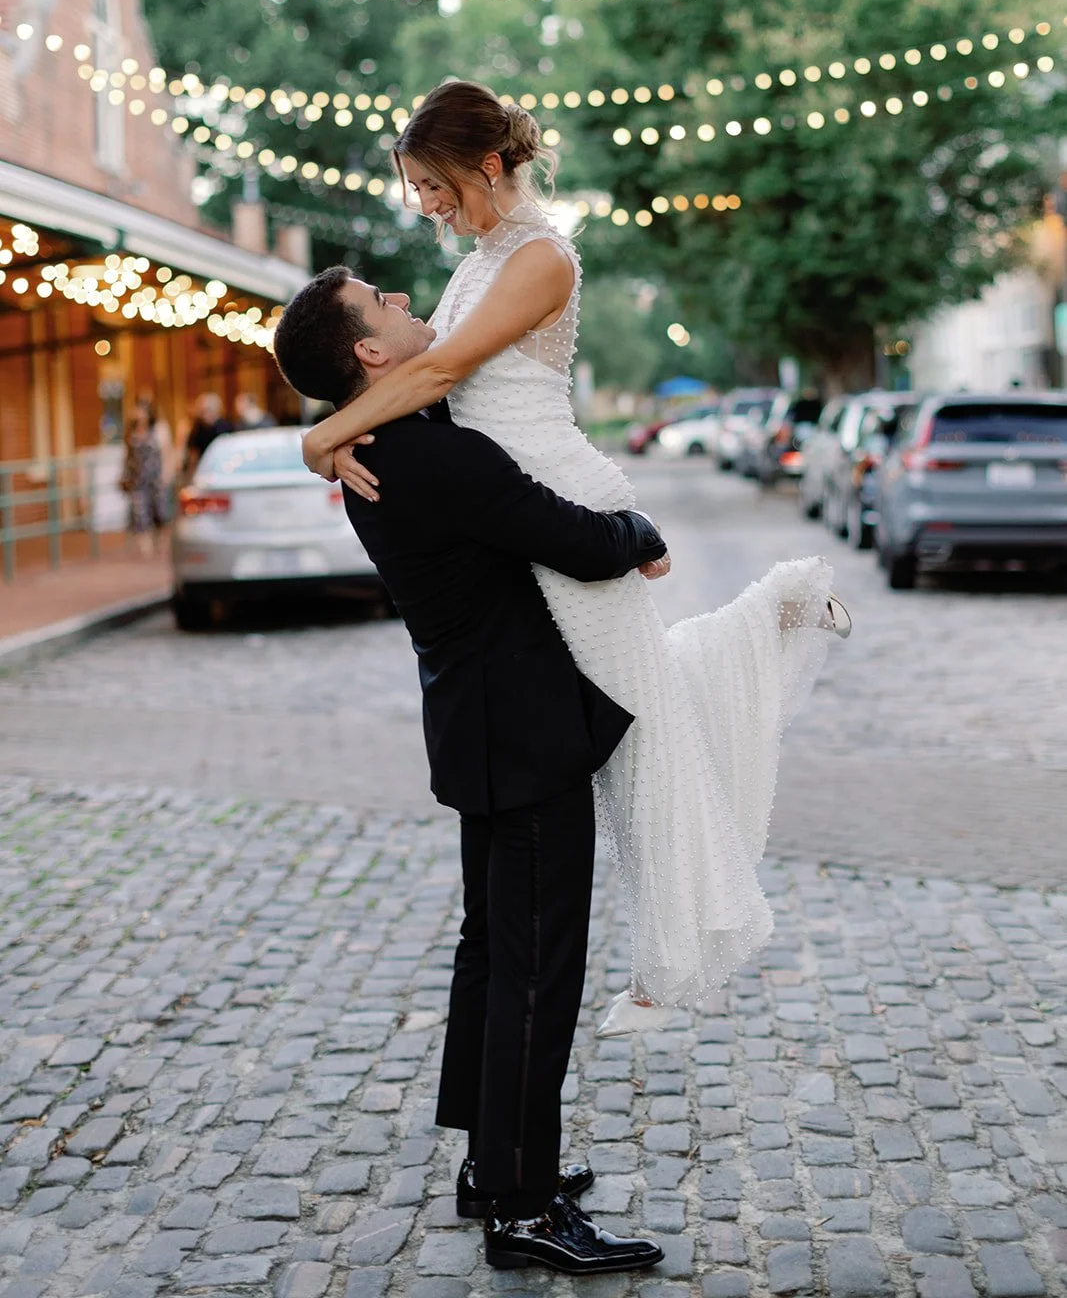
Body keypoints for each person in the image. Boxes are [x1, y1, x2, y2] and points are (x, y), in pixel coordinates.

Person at [302, 79, 848, 1033]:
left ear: (483, 164)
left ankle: (673, 962)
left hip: (560, 499)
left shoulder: (542, 257)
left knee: (642, 725)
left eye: (432, 184)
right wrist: (348, 429)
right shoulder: (475, 262)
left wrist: (318, 438)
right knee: (636, 706)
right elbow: (423, 384)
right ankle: (773, 614)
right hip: (518, 506)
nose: (423, 205)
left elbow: (432, 372)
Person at [273, 267, 667, 1276]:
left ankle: (491, 1163)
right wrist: (642, 531)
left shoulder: (372, 445)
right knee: (536, 969)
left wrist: (318, 430)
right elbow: (578, 542)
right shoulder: (433, 456)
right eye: (387, 306)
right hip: (526, 733)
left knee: (493, 953)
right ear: (367, 350)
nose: (409, 303)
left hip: (476, 726)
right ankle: (525, 1208)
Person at [120, 400, 169, 559]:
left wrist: (166, 473)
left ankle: (160, 542)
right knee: (140, 514)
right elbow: (127, 456)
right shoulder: (130, 432)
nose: (138, 414)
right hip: (137, 479)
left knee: (159, 512)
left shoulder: (158, 430)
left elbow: (166, 452)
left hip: (155, 478)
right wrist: (124, 475)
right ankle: (146, 548)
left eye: (141, 411)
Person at [180, 392, 232, 480]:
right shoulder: (198, 428)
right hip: (203, 469)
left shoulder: (225, 426)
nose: (204, 415)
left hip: (223, 469)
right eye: (202, 411)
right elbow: (193, 452)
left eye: (207, 410)